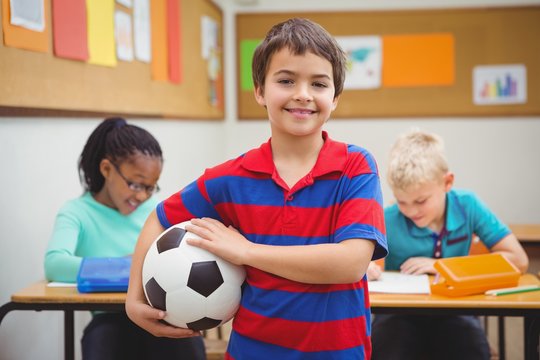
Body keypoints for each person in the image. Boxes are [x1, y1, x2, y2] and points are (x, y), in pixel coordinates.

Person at [126, 18, 387, 360]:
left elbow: (351, 262)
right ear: (260, 90)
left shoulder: (356, 166)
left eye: (319, 84)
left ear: (334, 97)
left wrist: (247, 252)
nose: (303, 94)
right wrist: (133, 301)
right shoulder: (230, 178)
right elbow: (158, 220)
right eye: (286, 80)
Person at [44, 117, 205, 360]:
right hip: (110, 319)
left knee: (184, 340)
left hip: (159, 312)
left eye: (150, 187)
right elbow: (55, 264)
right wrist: (130, 264)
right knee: (102, 338)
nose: (142, 196)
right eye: (135, 184)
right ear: (107, 169)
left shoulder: (156, 211)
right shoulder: (77, 212)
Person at [370, 129, 529, 360]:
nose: (411, 210)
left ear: (447, 182)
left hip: (456, 309)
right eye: (402, 202)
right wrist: (368, 268)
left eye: (421, 201)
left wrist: (442, 266)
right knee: (387, 348)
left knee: (470, 349)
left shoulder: (468, 205)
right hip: (399, 313)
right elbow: (367, 264)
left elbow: (519, 260)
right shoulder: (389, 218)